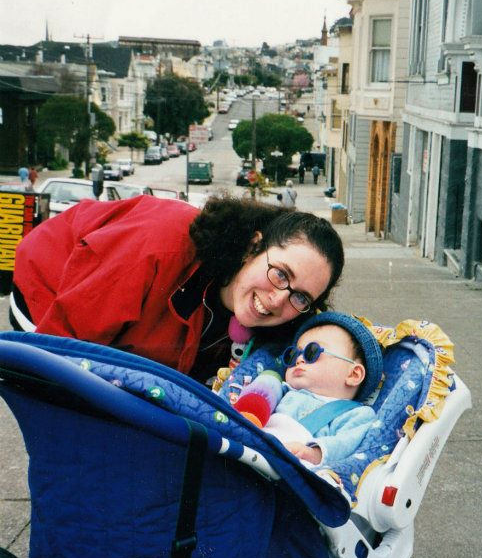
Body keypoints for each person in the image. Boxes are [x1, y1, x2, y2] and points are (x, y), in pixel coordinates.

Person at [10, 194, 345, 382]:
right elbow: (62, 347)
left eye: (300, 296)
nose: (278, 299)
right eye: (281, 274)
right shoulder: (159, 246)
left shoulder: (254, 308)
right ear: (253, 247)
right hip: (49, 294)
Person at [263, 312, 383, 468]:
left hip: (295, 464)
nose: (299, 359)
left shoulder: (357, 415)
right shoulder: (283, 390)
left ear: (353, 374)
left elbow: (345, 443)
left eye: (311, 352)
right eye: (293, 355)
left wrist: (314, 453)